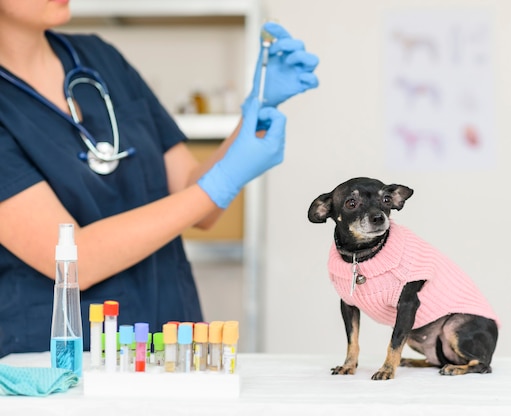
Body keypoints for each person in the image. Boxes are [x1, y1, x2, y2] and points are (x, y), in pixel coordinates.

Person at [0, 1, 319, 358]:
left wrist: (257, 110)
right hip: (58, 362)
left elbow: (197, 203)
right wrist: (218, 184)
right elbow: (75, 261)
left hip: (168, 339)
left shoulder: (100, 59)